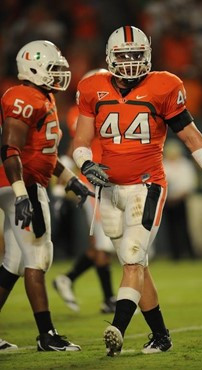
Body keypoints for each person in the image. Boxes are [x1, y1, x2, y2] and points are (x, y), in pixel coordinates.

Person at [72, 26, 202, 356]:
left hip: (147, 187)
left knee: (132, 258)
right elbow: (80, 139)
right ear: (109, 57)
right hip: (110, 191)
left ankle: (116, 328)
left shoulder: (164, 85)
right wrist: (85, 164)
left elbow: (190, 136)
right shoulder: (92, 86)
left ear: (147, 56)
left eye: (136, 55)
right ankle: (161, 336)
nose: (130, 63)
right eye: (124, 56)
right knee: (137, 264)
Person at [0, 40, 94, 351]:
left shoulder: (44, 97)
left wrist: (71, 180)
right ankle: (46, 336)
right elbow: (9, 149)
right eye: (52, 69)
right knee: (38, 257)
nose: (58, 75)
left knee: (14, 261)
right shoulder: (24, 96)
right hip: (19, 184)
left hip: (25, 181)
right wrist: (21, 194)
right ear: (33, 68)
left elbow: (44, 156)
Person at [53, 92, 116, 314]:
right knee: (102, 243)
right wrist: (62, 186)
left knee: (103, 243)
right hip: (92, 183)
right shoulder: (82, 113)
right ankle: (108, 299)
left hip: (107, 182)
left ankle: (67, 279)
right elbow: (75, 146)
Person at [163, 139, 198, 260]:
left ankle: (190, 253)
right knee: (170, 229)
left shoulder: (185, 164)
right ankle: (175, 255)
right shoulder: (163, 164)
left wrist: (179, 196)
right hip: (167, 201)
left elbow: (190, 184)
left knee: (184, 227)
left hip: (181, 200)